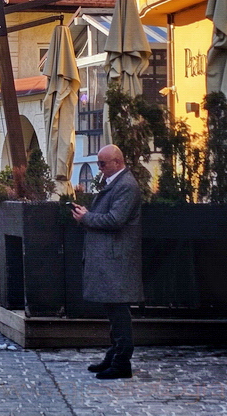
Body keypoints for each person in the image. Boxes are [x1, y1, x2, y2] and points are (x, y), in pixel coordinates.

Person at [71, 144, 142, 380]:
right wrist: (86, 215)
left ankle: (121, 361)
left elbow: (115, 220)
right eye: (98, 163)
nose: (99, 167)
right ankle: (114, 355)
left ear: (117, 162)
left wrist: (86, 217)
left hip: (116, 258)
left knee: (118, 309)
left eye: (102, 163)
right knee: (113, 309)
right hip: (112, 257)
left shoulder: (126, 185)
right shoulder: (116, 183)